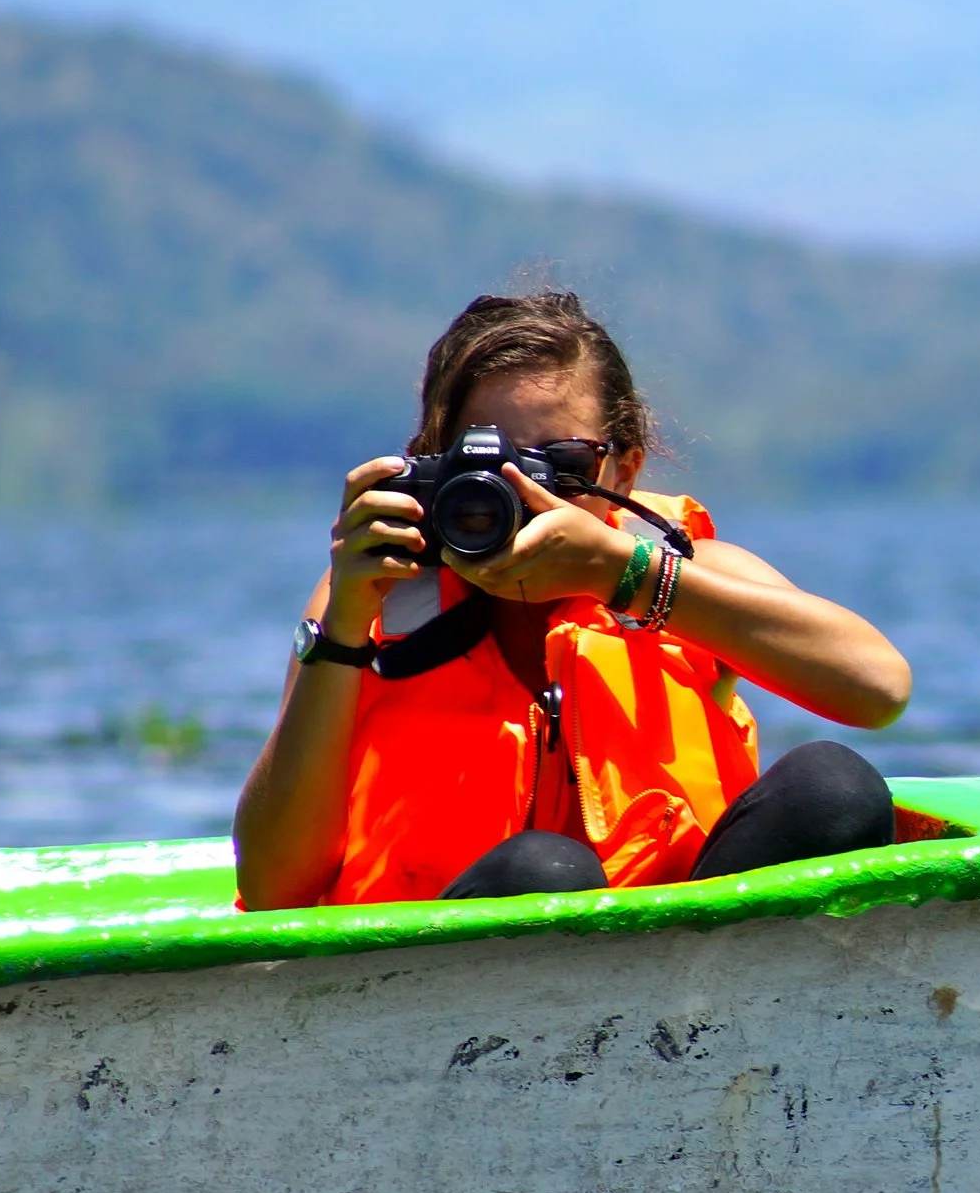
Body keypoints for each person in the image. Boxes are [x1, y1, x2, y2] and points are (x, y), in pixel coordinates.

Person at [233, 291, 912, 910]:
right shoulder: (369, 600)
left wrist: (622, 572)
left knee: (833, 786)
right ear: (431, 466)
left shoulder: (682, 577)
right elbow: (272, 886)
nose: (529, 498)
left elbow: (878, 689)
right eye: (487, 466)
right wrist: (343, 629)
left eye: (564, 467)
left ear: (627, 467)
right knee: (546, 873)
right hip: (455, 995)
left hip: (688, 981)